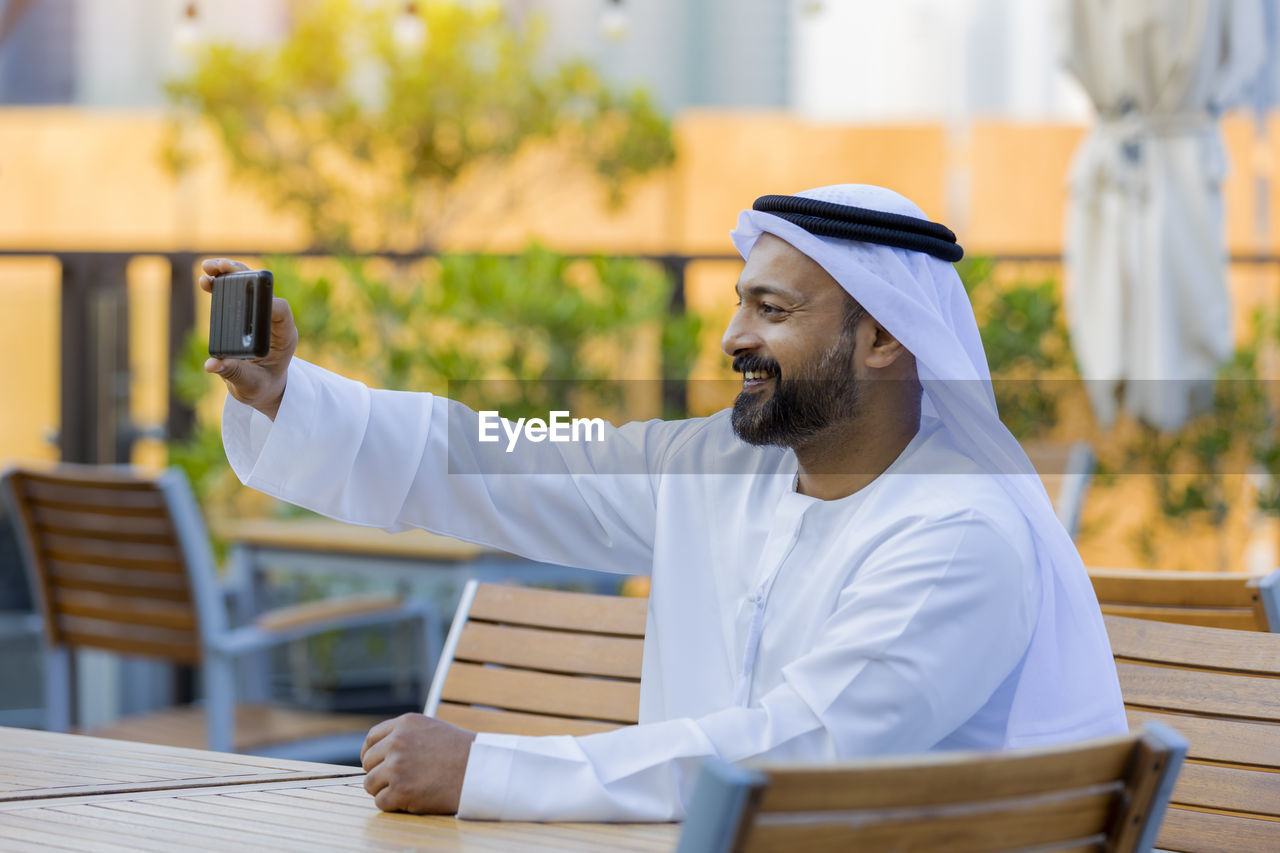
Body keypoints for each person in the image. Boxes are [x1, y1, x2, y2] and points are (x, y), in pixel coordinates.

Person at [204, 184, 1126, 822]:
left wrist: (485, 767)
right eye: (740, 304)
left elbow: (792, 752)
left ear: (884, 337)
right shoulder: (722, 466)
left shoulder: (961, 533)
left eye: (772, 309)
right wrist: (287, 395)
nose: (732, 335)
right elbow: (508, 460)